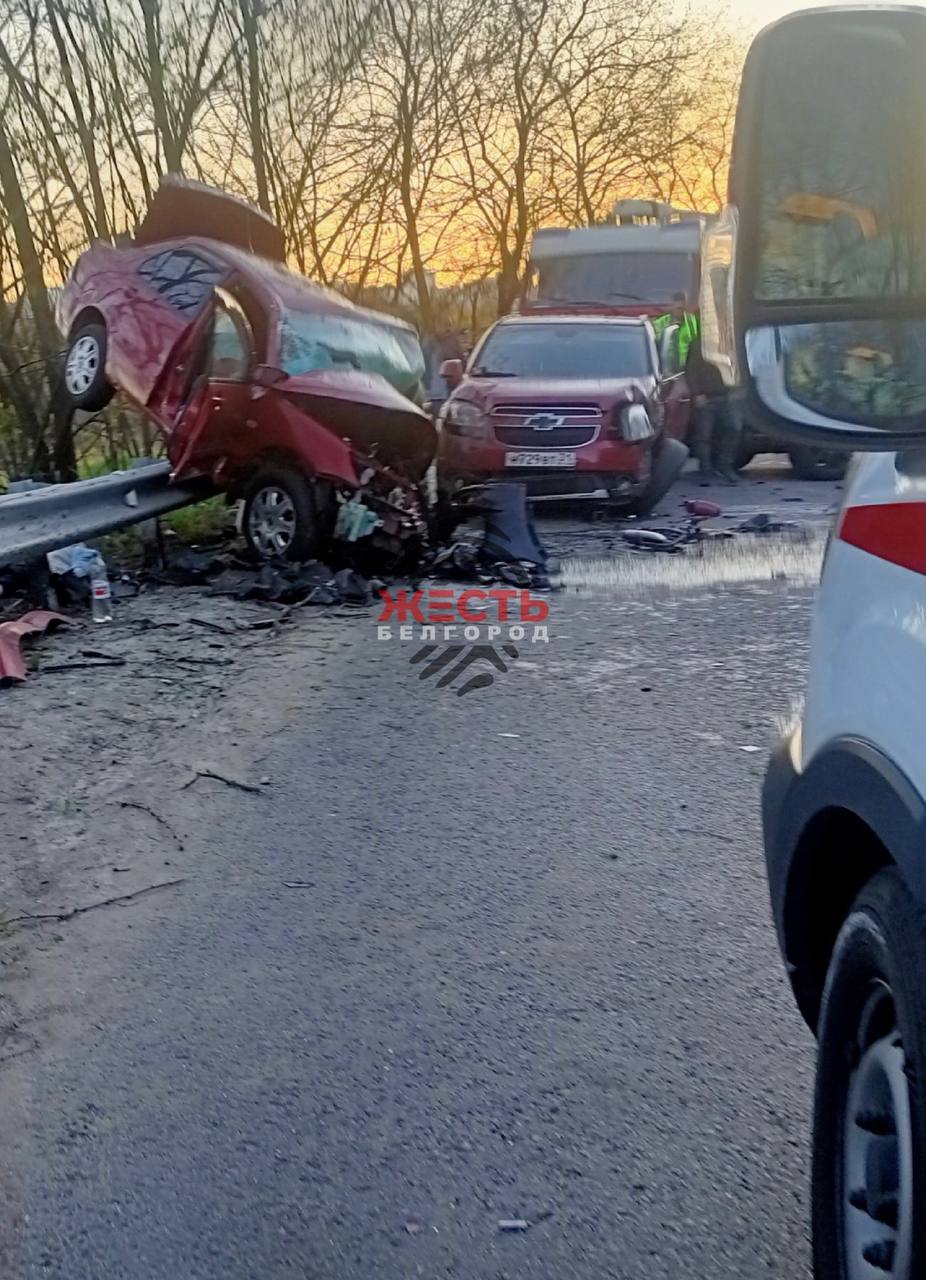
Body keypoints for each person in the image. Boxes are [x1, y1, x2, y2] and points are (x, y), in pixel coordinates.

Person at [685, 334, 742, 484]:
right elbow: (691, 370)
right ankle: (706, 470)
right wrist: (696, 393)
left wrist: (738, 389)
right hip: (706, 395)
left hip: (728, 394)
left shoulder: (732, 340)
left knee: (734, 427)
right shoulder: (698, 343)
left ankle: (725, 465)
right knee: (704, 435)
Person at [652, 292, 700, 372]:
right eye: (679, 308)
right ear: (672, 307)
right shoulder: (661, 322)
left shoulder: (691, 321)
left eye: (683, 308)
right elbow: (655, 343)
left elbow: (695, 342)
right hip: (667, 366)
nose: (682, 312)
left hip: (687, 367)